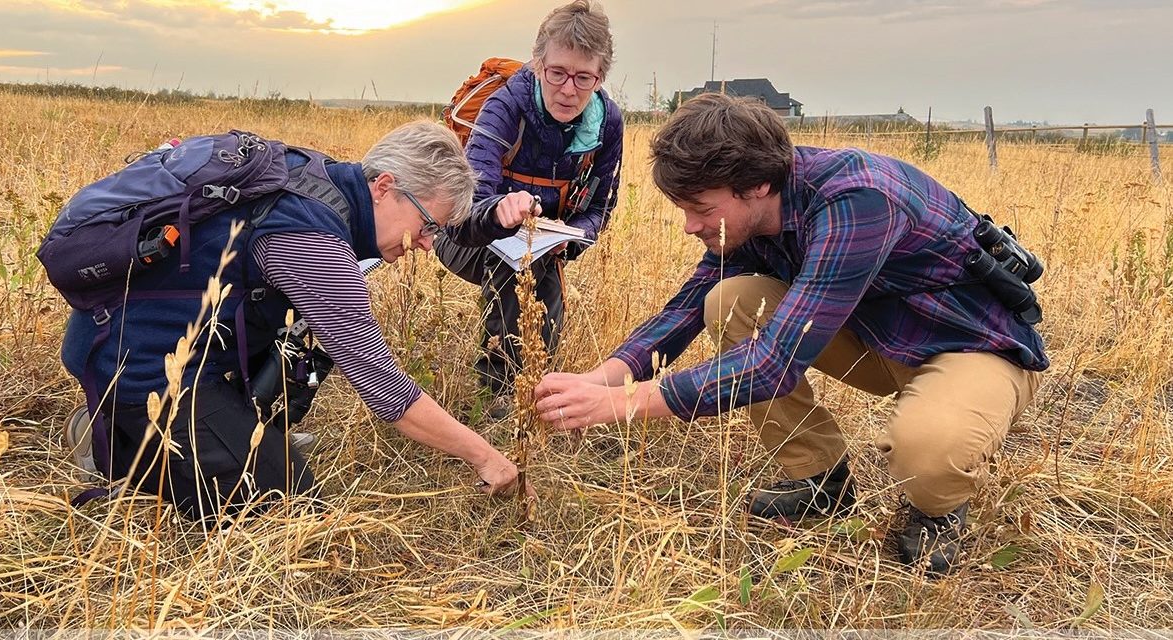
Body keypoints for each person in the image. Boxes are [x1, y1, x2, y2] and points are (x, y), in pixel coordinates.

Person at [534, 93, 1048, 574]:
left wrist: (626, 403)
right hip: (876, 341)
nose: (690, 226)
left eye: (701, 209)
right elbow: (687, 309)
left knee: (928, 449)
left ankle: (939, 509)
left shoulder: (859, 200)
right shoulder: (758, 208)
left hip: (971, 348)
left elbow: (770, 365)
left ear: (756, 185)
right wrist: (604, 378)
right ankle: (819, 479)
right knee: (726, 300)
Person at [59, 121, 524, 521]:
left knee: (308, 341)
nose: (426, 244)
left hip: (137, 344)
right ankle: (120, 443)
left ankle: (173, 431)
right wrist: (485, 457)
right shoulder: (315, 242)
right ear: (385, 187)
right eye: (427, 226)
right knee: (289, 508)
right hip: (139, 370)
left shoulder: (321, 179)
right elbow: (385, 388)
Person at [434, 0, 623, 417]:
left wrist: (570, 241)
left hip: (546, 244)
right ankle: (498, 391)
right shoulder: (504, 107)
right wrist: (501, 211)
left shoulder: (608, 122)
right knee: (514, 260)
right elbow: (469, 201)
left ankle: (536, 386)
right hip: (464, 235)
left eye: (583, 77)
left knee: (543, 271)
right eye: (557, 73)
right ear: (538, 64)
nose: (569, 89)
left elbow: (601, 207)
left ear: (600, 76)